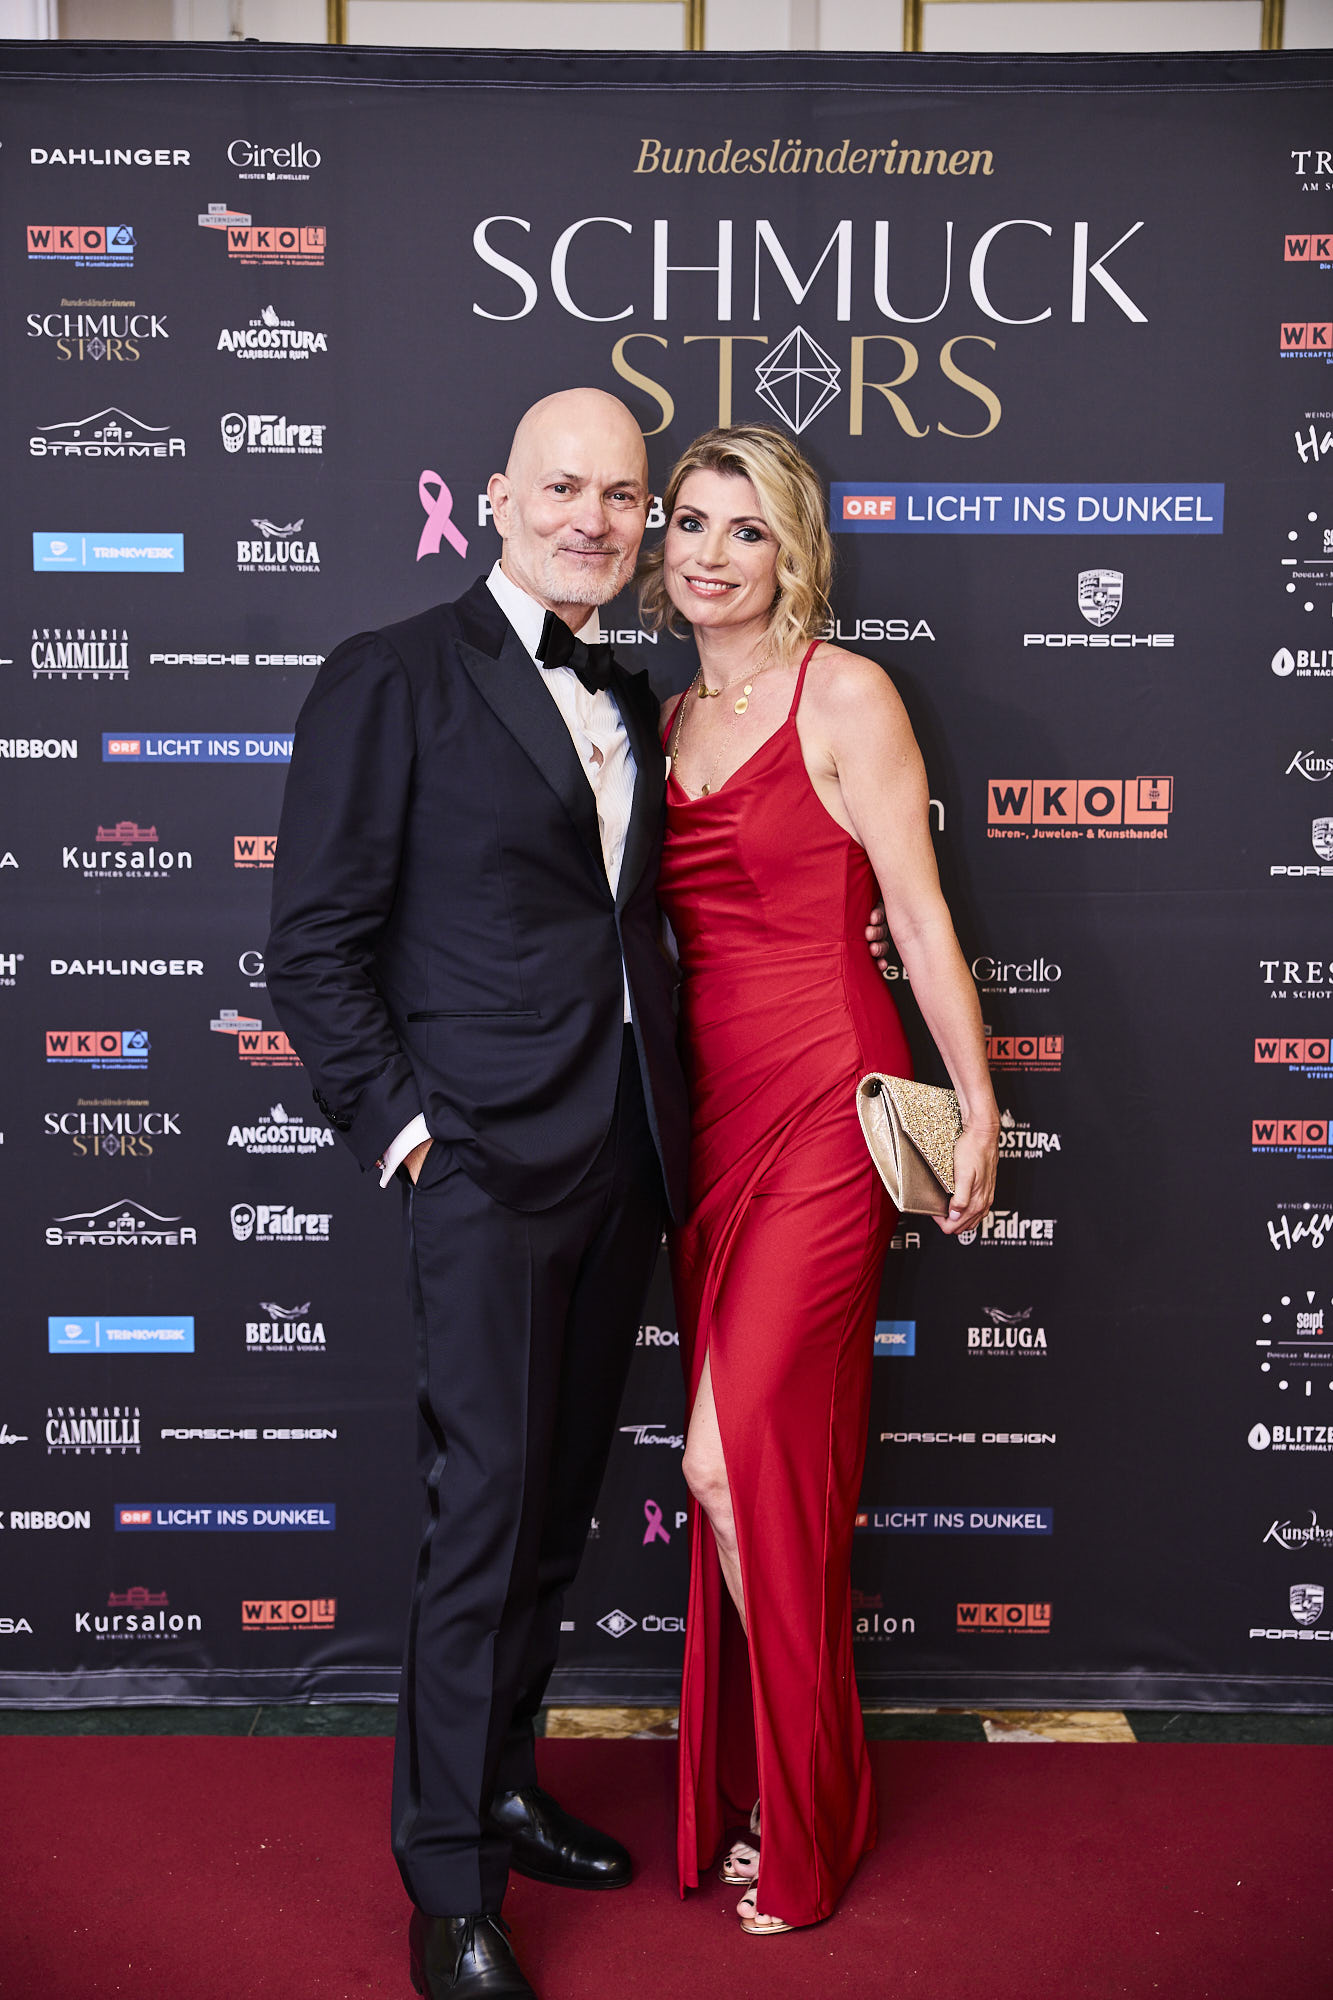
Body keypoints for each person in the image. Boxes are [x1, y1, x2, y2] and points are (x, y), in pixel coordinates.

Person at [266, 389, 688, 2000]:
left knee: (557, 1511)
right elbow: (313, 941)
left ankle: (507, 1785)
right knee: (485, 1519)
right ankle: (448, 1881)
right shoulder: (390, 673)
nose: (593, 518)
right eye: (562, 488)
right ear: (495, 499)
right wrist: (405, 1133)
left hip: (625, 1156)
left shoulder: (628, 689)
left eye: (622, 496)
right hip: (484, 1167)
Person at [643, 425, 999, 1937]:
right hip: (707, 1126)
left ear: (794, 553)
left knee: (729, 1467)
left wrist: (976, 1106)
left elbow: (916, 920)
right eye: (690, 523)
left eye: (747, 530)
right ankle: (789, 1791)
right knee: (766, 1476)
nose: (711, 554)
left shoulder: (845, 693)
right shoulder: (659, 720)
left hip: (826, 1108)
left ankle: (809, 1808)